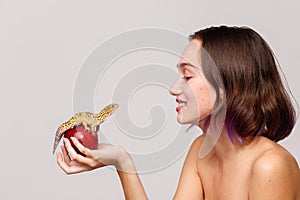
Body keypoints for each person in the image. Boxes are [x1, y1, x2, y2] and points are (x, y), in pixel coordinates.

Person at [56, 25, 300, 199]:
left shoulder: (269, 166)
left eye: (188, 76)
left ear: (229, 86)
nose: (174, 88)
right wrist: (122, 161)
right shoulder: (201, 152)